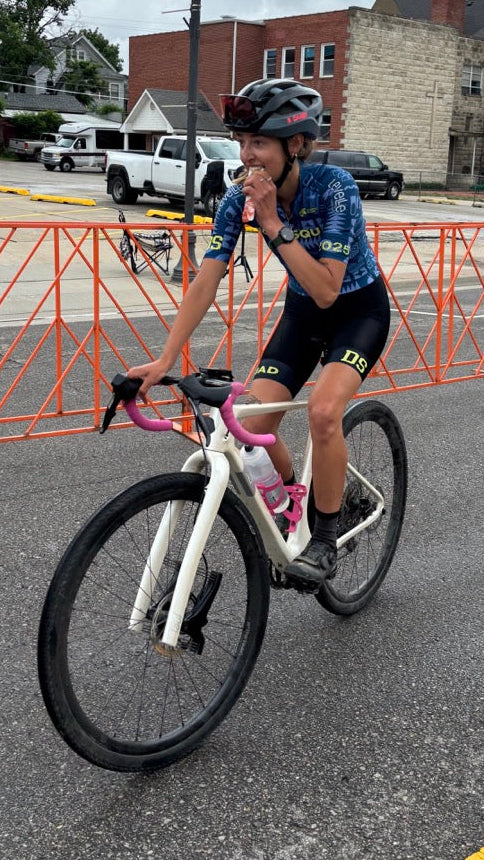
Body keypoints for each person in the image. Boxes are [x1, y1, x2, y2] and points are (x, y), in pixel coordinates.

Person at [128, 78, 390, 593]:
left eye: (259, 144)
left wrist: (271, 222)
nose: (247, 156)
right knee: (248, 425)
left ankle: (326, 538)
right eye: (241, 142)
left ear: (295, 146)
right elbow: (208, 275)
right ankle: (298, 502)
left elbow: (325, 289)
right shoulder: (237, 196)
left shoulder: (334, 187)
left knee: (322, 412)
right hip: (302, 316)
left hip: (356, 311)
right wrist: (165, 357)